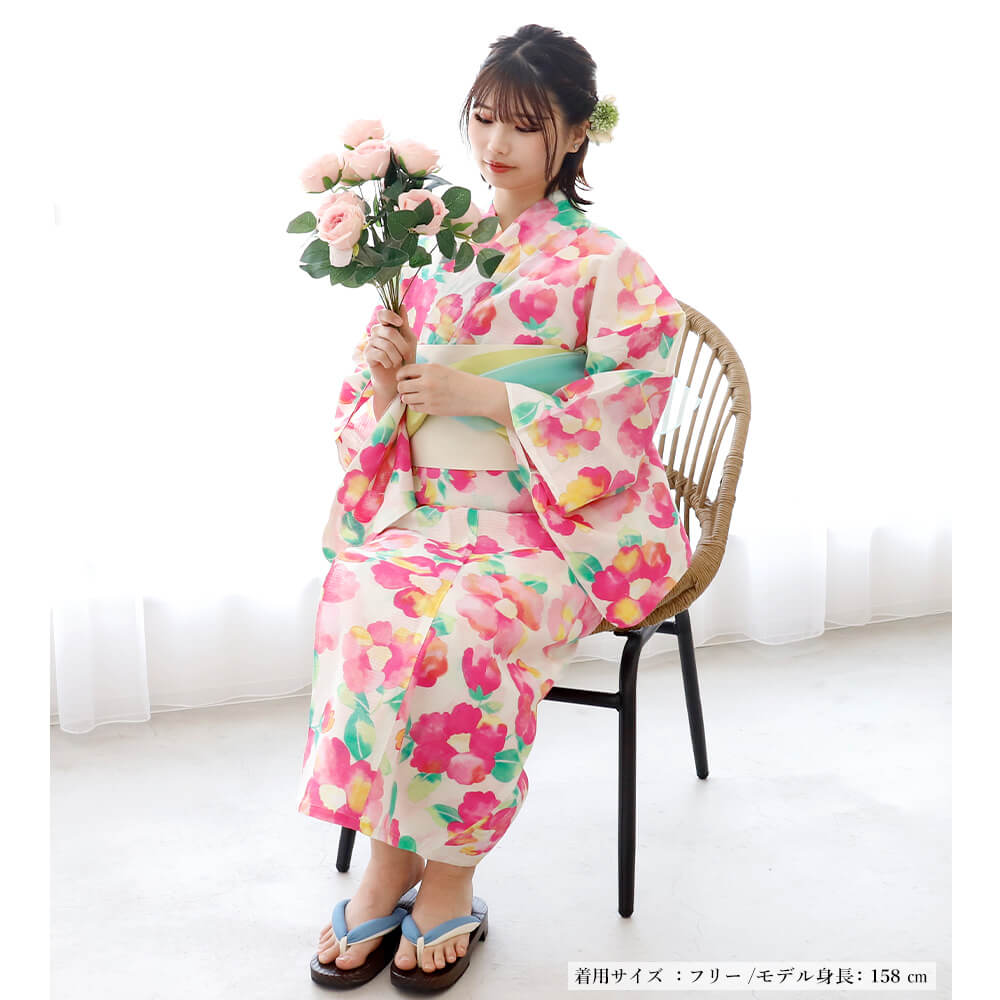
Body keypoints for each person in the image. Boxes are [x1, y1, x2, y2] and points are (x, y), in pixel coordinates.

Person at [298, 22, 693, 991]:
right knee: (366, 598)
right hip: (434, 508)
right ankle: (390, 860)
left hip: (549, 526)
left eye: (524, 123)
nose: (496, 143)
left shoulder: (606, 262)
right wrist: (388, 381)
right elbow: (371, 409)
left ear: (575, 132)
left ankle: (450, 876)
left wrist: (488, 397)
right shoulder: (432, 251)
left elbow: (632, 401)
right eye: (482, 119)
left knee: (467, 625)